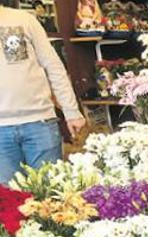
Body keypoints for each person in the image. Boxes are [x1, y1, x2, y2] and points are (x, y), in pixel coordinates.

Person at [0, 0, 85, 183]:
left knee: (52, 195)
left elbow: (53, 66)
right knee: (8, 203)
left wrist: (71, 111)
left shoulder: (24, 20)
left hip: (40, 123)